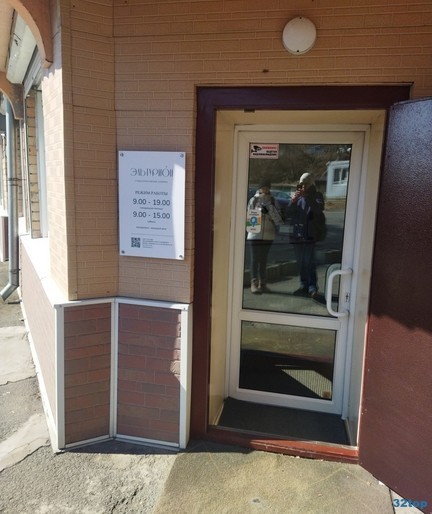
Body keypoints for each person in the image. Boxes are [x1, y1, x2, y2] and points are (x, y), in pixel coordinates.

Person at [288, 172, 325, 299]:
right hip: (297, 234)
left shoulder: (317, 195)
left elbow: (318, 209)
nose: (303, 186)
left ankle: (312, 287)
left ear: (311, 184)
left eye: (306, 184)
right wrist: (293, 201)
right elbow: (288, 213)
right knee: (301, 262)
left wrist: (307, 197)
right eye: (302, 184)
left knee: (309, 261)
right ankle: (303, 285)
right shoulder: (297, 196)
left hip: (310, 234)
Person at [246, 179, 283, 294]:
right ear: (259, 188)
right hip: (254, 234)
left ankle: (263, 283)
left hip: (268, 235)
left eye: (267, 187)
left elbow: (278, 220)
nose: (265, 189)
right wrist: (258, 211)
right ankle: (254, 283)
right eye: (263, 187)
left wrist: (269, 209)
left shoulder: (273, 201)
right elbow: (249, 216)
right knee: (254, 259)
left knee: (263, 260)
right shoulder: (253, 200)